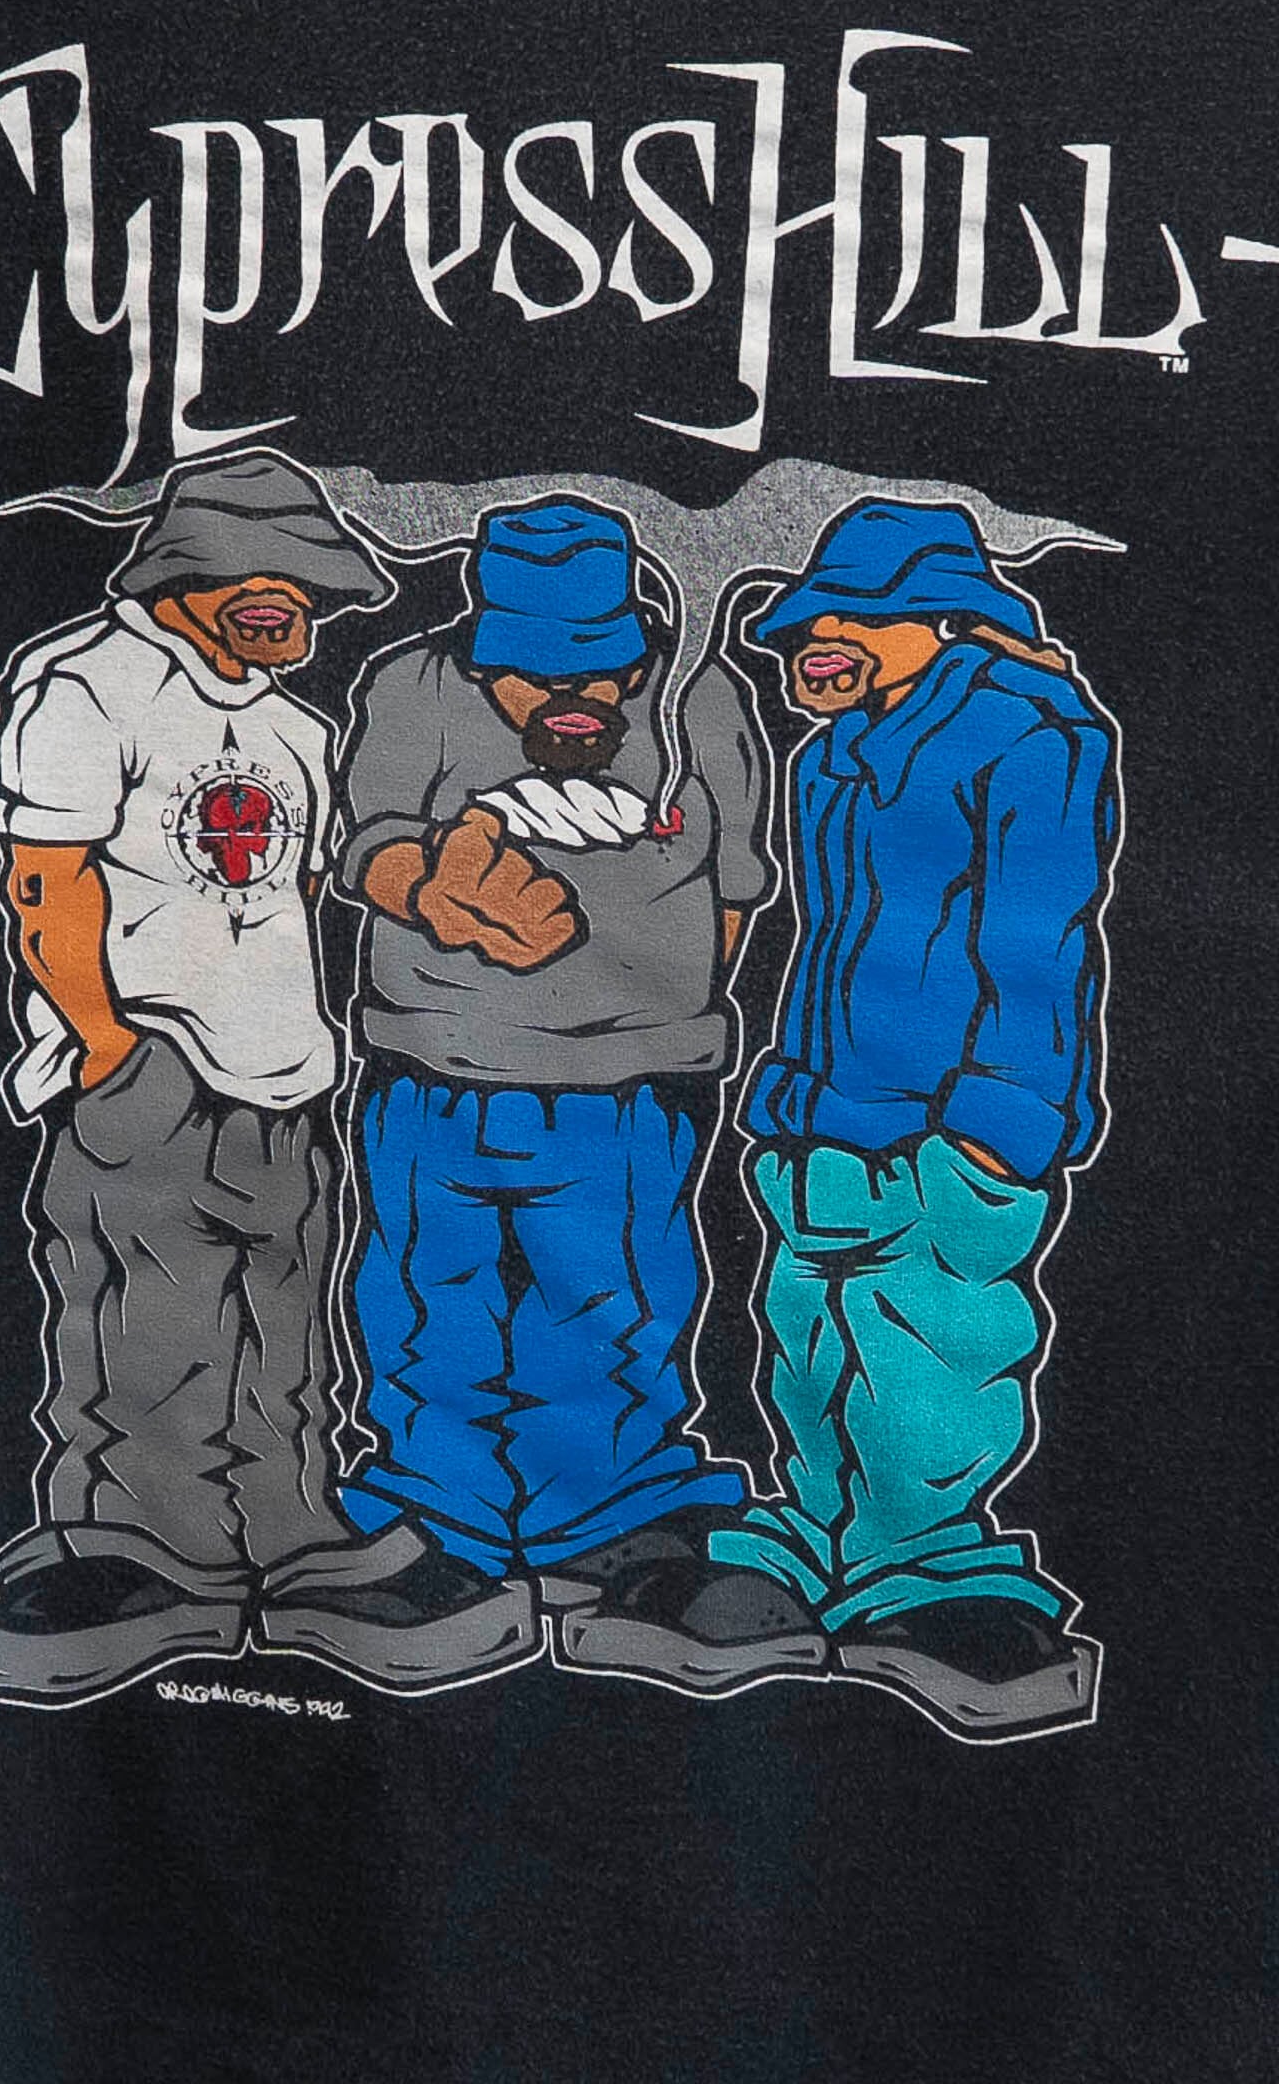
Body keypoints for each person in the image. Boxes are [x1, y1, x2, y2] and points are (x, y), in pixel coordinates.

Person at [261, 495, 822, 1694]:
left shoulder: (700, 697)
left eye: (602, 669)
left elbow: (736, 885)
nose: (572, 697)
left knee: (617, 1302)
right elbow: (365, 842)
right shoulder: (412, 684)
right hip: (433, 1070)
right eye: (530, 675)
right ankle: (440, 1528)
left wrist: (655, 1018)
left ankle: (615, 1528)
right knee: (431, 1299)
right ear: (482, 649)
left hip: (627, 1091)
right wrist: (430, 890)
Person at [0, 448, 400, 1702]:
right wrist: (102, 1040)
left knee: (284, 1313)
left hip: (287, 1073)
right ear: (184, 571)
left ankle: (286, 1528)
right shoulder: (86, 684)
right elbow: (45, 878)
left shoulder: (298, 726)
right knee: (146, 1319)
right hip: (150, 1063)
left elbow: (301, 892)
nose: (289, 605)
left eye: (307, 586)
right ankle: (136, 1550)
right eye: (263, 578)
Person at [717, 499, 1122, 1738]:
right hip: (821, 1115)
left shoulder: (1030, 734)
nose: (813, 643)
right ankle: (820, 1538)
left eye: (847, 620)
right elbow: (826, 937)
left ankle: (928, 1567)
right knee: (809, 1338)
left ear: (938, 620)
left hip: (953, 1126)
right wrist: (790, 1095)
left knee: (932, 1348)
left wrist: (999, 1124)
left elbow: (1038, 938)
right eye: (805, 625)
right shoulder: (832, 755)